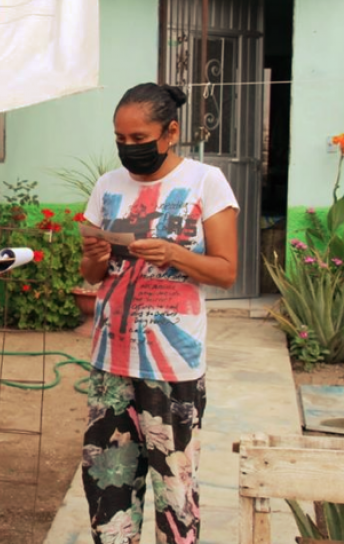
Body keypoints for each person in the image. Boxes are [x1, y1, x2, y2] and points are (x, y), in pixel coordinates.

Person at [79, 83, 239, 544]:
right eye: (121, 139)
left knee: (175, 496)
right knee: (107, 496)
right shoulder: (107, 187)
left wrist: (173, 253)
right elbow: (92, 275)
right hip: (111, 367)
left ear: (171, 132)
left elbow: (226, 271)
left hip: (173, 372)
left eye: (139, 138)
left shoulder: (206, 182)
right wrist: (94, 251)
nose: (130, 149)